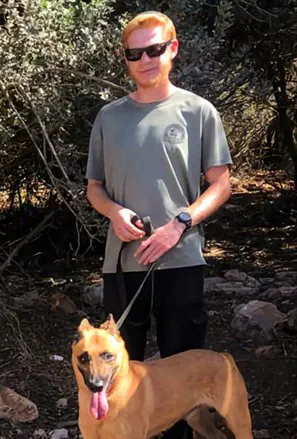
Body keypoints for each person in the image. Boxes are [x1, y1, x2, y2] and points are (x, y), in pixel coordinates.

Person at [85, 11, 232, 439]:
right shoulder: (109, 118)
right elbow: (94, 188)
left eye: (154, 49)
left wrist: (179, 223)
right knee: (115, 374)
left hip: (181, 260)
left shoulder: (198, 112)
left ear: (173, 49)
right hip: (123, 263)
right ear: (125, 59)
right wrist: (114, 212)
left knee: (182, 372)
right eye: (135, 53)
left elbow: (221, 184)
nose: (145, 60)